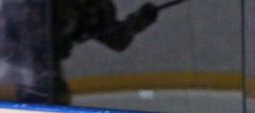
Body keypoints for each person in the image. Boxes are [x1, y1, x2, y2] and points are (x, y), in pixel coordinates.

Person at [16, 0, 160, 106]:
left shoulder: (97, 8)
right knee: (44, 91)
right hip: (24, 56)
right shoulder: (44, 6)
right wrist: (52, 41)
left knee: (55, 95)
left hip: (46, 60)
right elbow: (19, 31)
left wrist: (136, 22)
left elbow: (115, 39)